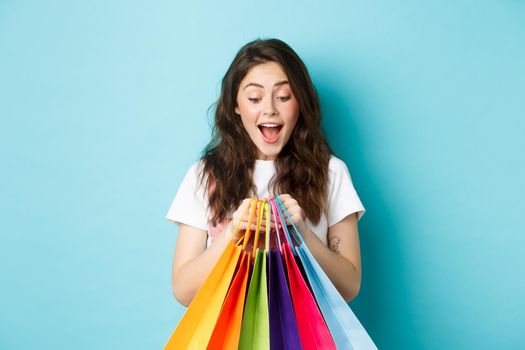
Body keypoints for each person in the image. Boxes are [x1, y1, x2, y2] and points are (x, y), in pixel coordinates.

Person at [166, 38, 366, 307]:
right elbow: (183, 290)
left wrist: (302, 233)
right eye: (254, 98)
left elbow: (349, 285)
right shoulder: (205, 174)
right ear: (236, 105)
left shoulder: (331, 172)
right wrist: (232, 234)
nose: (270, 108)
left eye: (284, 96)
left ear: (300, 103)